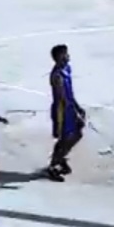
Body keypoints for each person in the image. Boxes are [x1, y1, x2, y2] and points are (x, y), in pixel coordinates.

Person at [45, 44, 87, 181]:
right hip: (62, 111)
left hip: (69, 108)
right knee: (65, 138)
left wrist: (78, 107)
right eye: (66, 54)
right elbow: (63, 98)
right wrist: (75, 113)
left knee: (77, 134)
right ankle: (53, 166)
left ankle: (60, 157)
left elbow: (70, 94)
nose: (68, 56)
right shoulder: (57, 76)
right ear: (59, 57)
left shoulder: (67, 69)